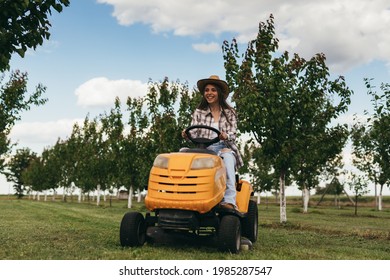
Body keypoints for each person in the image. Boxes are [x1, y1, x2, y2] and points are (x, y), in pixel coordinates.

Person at [182, 75, 243, 210]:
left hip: (223, 147)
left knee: (226, 157)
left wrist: (225, 136)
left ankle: (229, 200)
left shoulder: (230, 113)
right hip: (203, 149)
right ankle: (183, 195)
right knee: (181, 153)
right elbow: (194, 132)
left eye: (213, 90)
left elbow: (233, 134)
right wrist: (187, 134)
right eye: (207, 90)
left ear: (219, 93)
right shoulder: (199, 112)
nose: (209, 93)